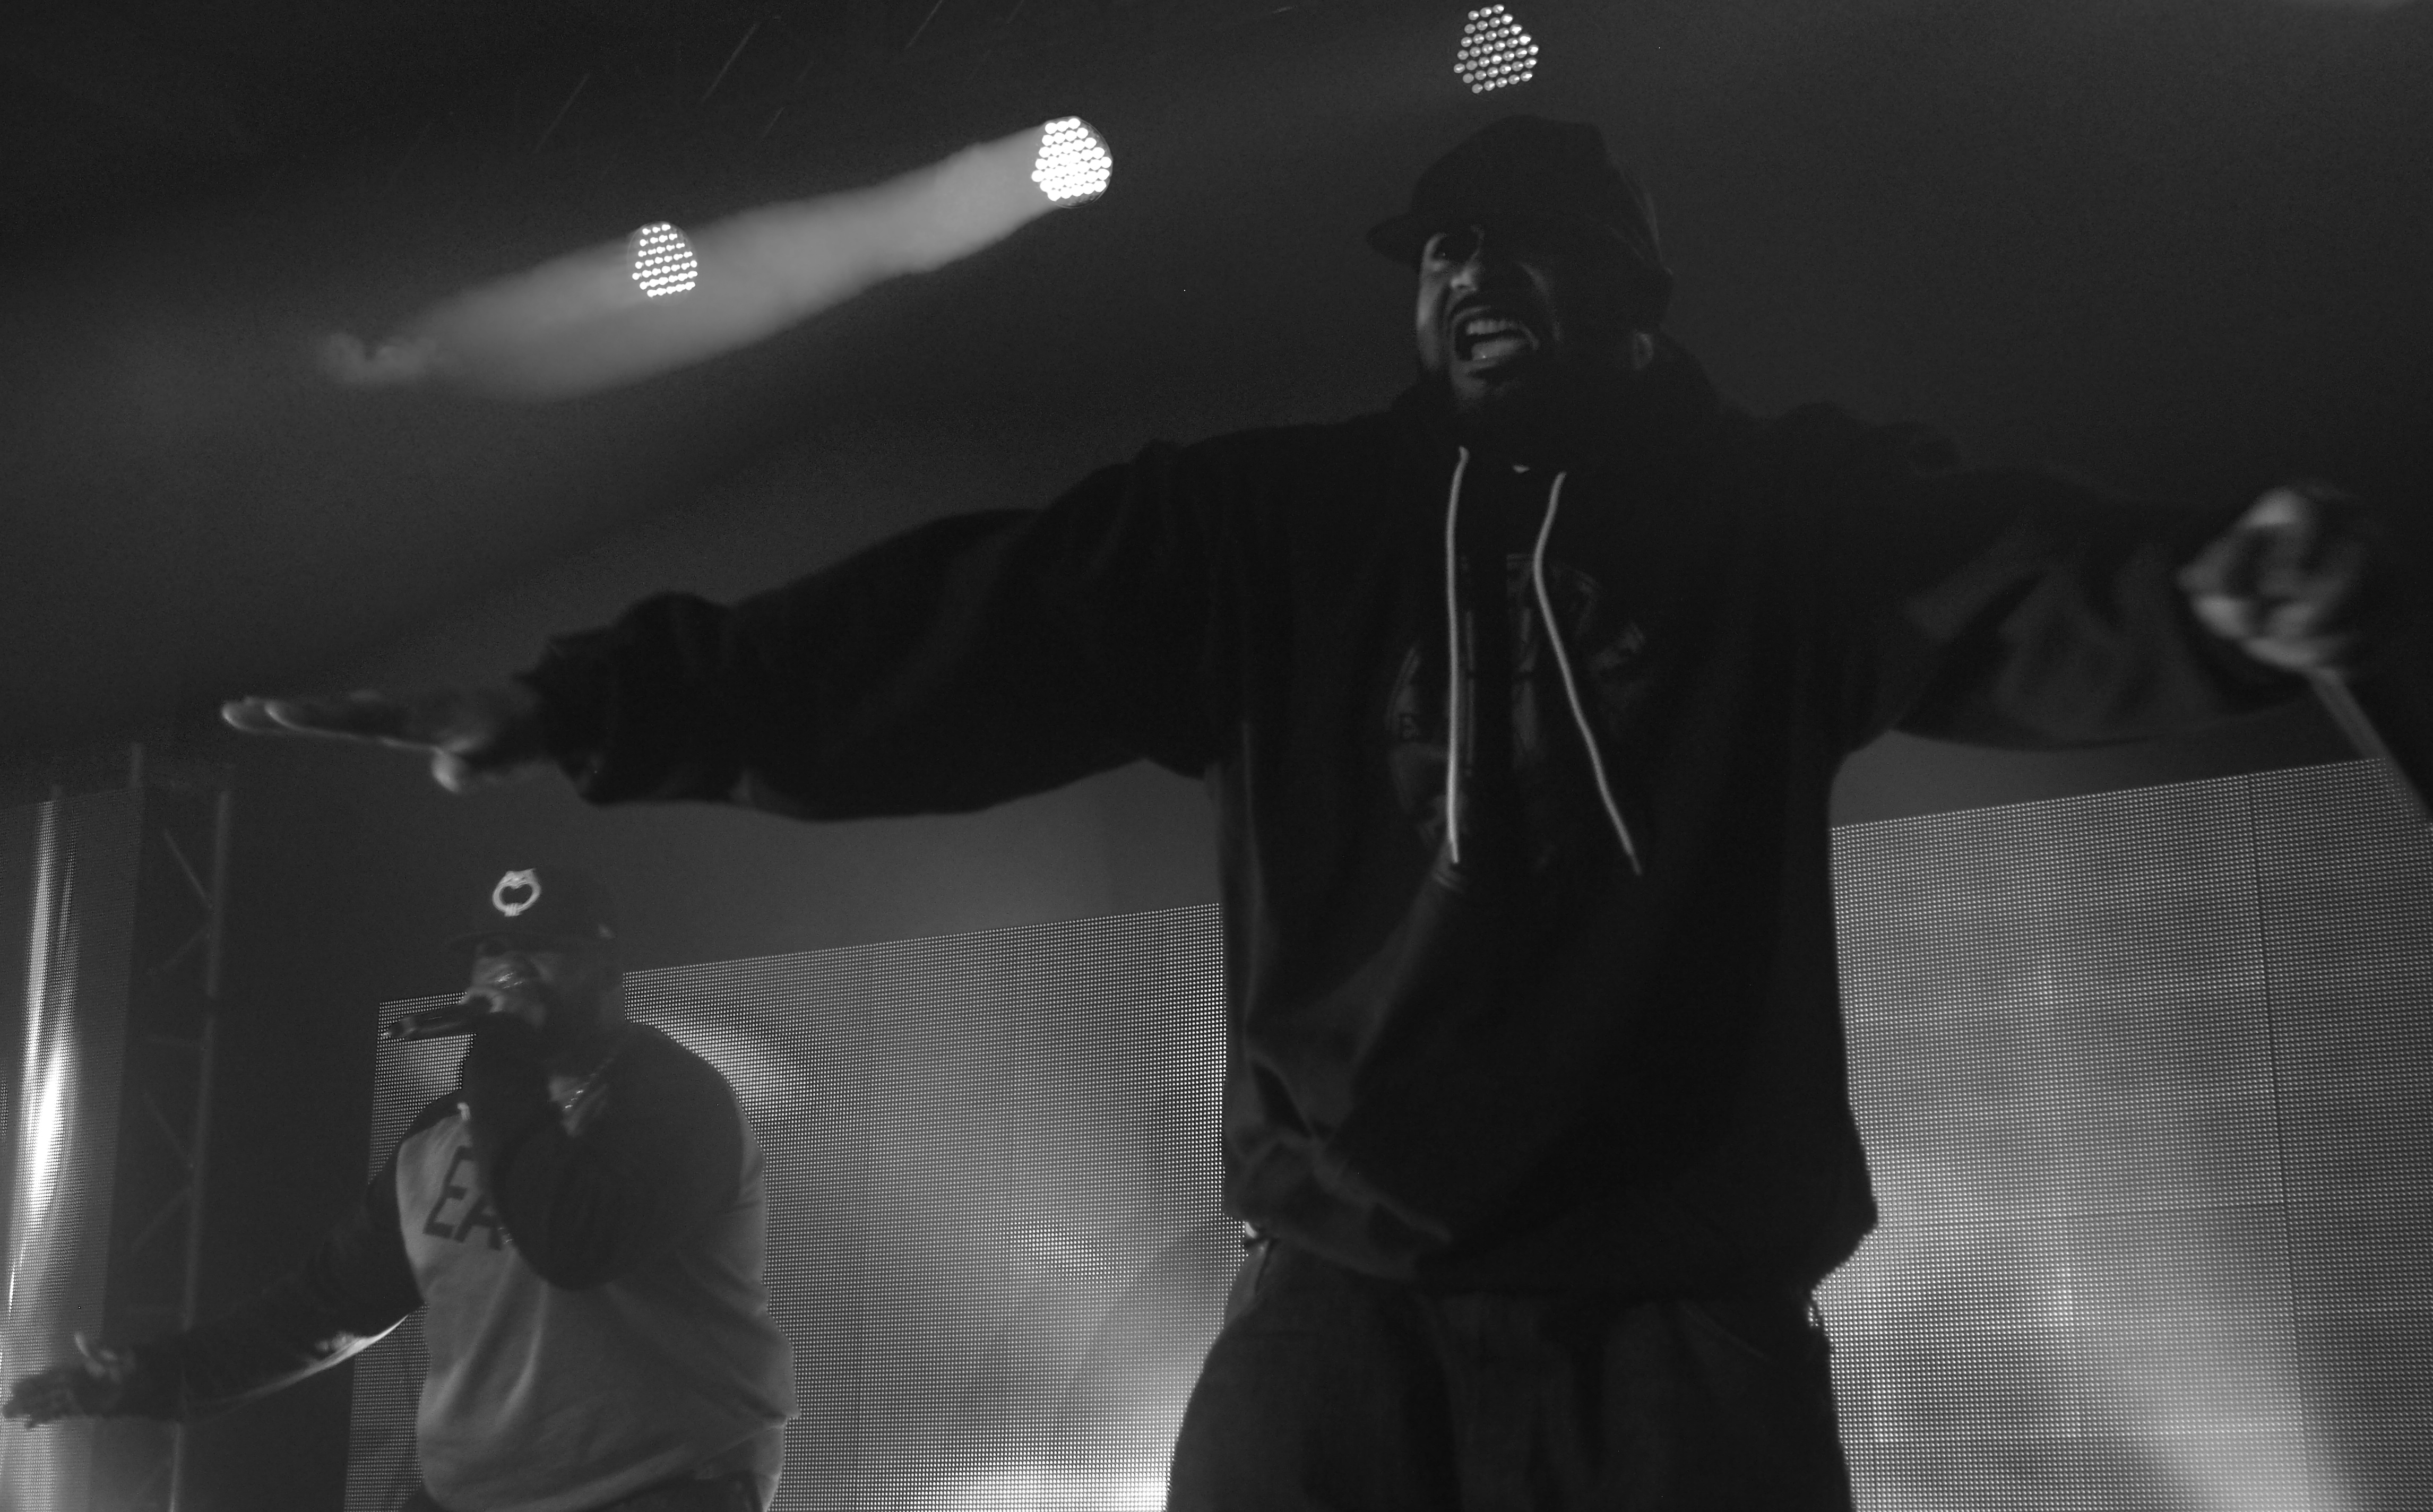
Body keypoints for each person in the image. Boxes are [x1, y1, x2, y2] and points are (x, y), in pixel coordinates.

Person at [220, 116, 2389, 1508]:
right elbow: (946, 636)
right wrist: (586, 702)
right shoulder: (1284, 534)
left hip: (1682, 1322)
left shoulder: (1780, 522)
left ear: (1635, 287)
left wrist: (2214, 595)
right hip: (1351, 1299)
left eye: (1525, 244)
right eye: (1439, 251)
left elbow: (2027, 582)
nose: (1472, 277)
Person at [4, 865, 796, 1512]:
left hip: (664, 1484)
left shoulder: (674, 1102)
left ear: (609, 972)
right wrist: (152, 1375)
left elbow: (573, 1242)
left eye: (541, 950)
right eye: (491, 950)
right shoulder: (447, 1130)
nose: (509, 971)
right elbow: (326, 1309)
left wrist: (500, 1054)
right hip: (477, 1495)